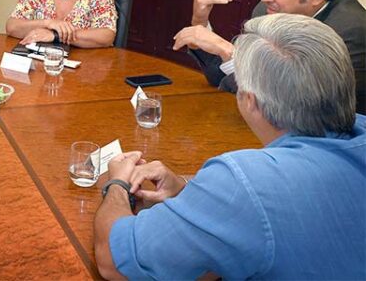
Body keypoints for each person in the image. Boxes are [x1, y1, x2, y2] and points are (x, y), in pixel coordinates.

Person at [95, 14, 366, 280]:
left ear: (249, 100)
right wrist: (189, 191)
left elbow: (113, 260)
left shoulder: (244, 181)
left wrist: (117, 184)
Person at [173, 0, 365, 113]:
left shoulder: (353, 31)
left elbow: (305, 111)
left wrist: (231, 54)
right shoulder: (267, 11)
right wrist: (200, 21)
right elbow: (222, 78)